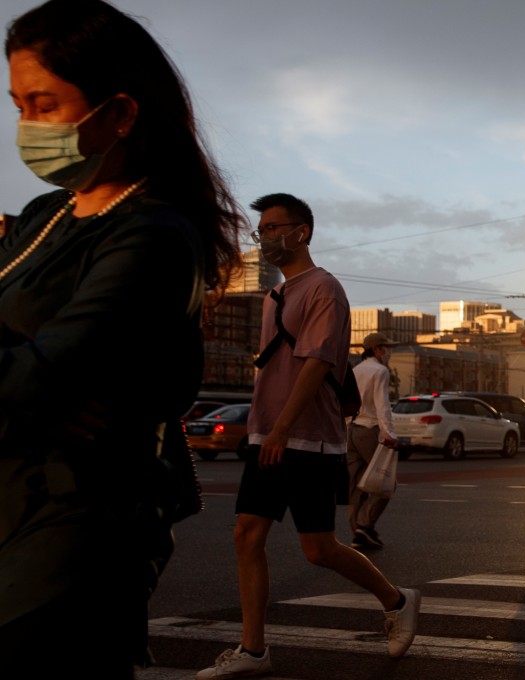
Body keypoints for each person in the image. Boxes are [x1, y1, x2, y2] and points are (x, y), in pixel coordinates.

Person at [0, 1, 246, 676]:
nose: (26, 126)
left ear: (120, 113)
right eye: (18, 104)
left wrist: (33, 386)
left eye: (44, 104)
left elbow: (38, 376)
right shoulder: (46, 215)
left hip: (77, 522)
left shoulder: (154, 234)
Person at [197, 194, 418, 679]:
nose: (268, 237)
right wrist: (265, 428)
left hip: (308, 440)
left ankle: (397, 601)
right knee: (246, 534)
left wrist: (281, 428)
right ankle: (254, 650)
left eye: (277, 228)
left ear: (304, 232)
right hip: (267, 435)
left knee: (318, 548)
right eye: (263, 231)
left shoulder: (325, 289)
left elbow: (317, 364)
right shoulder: (274, 297)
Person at [348, 332, 399, 549]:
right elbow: (382, 404)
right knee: (384, 482)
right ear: (377, 350)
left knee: (357, 485)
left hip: (351, 431)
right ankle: (365, 525)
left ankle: (359, 532)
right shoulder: (380, 371)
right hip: (369, 430)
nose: (388, 353)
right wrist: (389, 433)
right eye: (386, 348)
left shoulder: (355, 370)